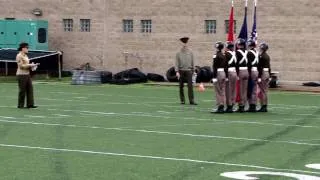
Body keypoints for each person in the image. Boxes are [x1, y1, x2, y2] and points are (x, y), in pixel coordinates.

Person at [16, 42, 39, 109]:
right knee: (22, 90)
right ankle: (20, 105)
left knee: (30, 89)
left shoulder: (26, 56)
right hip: (21, 75)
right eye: (27, 48)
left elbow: (26, 65)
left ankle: (30, 104)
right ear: (23, 48)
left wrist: (33, 66)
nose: (28, 49)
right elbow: (21, 66)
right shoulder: (19, 55)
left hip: (27, 74)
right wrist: (30, 65)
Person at [175, 37, 197, 105]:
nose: (184, 45)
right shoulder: (178, 53)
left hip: (189, 71)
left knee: (190, 86)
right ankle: (182, 100)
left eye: (185, 43)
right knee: (181, 86)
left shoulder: (190, 52)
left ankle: (191, 100)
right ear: (181, 44)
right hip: (181, 71)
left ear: (187, 43)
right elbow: (176, 63)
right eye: (183, 43)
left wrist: (194, 71)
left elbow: (193, 61)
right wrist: (177, 71)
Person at [211, 41, 227, 113]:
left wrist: (214, 77)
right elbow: (226, 66)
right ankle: (223, 106)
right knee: (223, 90)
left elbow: (214, 66)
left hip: (218, 73)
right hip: (223, 72)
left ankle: (220, 106)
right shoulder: (223, 55)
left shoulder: (216, 55)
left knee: (218, 91)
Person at [235, 38, 249, 113]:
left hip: (240, 71)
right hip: (246, 71)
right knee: (244, 90)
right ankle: (243, 105)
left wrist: (237, 73)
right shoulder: (247, 52)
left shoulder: (237, 52)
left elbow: (236, 64)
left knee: (240, 90)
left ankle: (240, 106)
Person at [257, 42, 271, 112]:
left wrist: (259, 77)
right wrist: (270, 75)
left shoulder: (261, 56)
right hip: (267, 73)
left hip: (263, 73)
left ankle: (263, 106)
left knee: (262, 91)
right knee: (265, 91)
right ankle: (265, 106)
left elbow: (260, 67)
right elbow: (269, 66)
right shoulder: (267, 56)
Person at [247, 39, 259, 112]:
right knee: (254, 89)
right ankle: (254, 105)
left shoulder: (249, 53)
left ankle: (251, 105)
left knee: (250, 88)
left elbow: (248, 64)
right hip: (256, 70)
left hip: (251, 71)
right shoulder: (257, 52)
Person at [225, 41, 237, 113]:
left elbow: (225, 65)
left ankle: (229, 106)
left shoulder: (226, 54)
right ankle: (232, 104)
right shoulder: (235, 54)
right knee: (233, 90)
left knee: (228, 90)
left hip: (229, 72)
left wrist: (226, 75)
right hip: (235, 72)